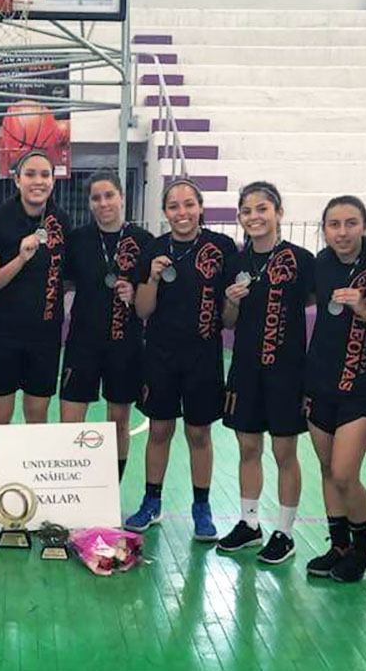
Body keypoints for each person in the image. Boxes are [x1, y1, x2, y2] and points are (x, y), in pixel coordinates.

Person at [124, 178, 238, 541]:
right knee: (159, 430)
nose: (182, 212)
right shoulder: (153, 250)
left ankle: (201, 508)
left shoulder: (221, 248)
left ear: (200, 207)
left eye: (189, 204)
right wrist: (153, 277)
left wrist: (234, 301)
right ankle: (151, 501)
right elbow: (143, 310)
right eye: (174, 206)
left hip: (204, 355)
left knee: (199, 433)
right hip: (159, 354)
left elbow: (230, 318)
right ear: (165, 212)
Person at [304, 195, 366, 583]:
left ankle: (365, 545)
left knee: (345, 472)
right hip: (320, 380)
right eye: (334, 224)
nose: (342, 232)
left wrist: (363, 309)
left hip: (364, 383)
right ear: (324, 228)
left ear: (364, 225)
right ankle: (339, 544)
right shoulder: (320, 265)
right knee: (327, 469)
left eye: (350, 223)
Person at [218, 182, 315, 564]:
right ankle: (249, 523)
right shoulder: (237, 263)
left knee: (284, 451)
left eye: (262, 209)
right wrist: (230, 300)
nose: (254, 217)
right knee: (248, 448)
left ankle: (285, 532)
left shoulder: (302, 260)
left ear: (278, 213)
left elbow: (309, 303)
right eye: (247, 211)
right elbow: (227, 321)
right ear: (240, 217)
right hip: (245, 368)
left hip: (288, 370)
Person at [59, 170, 152, 482]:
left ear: (121, 197)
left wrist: (136, 293)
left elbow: (152, 296)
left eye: (109, 195)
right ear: (89, 203)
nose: (103, 203)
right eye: (96, 198)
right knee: (70, 422)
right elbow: (65, 283)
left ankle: (111, 489)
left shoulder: (143, 241)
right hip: (82, 342)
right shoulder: (78, 240)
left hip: (124, 343)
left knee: (118, 422)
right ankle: (74, 489)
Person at [0, 150, 69, 424]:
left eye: (45, 175)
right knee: (0, 416)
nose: (38, 181)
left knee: (37, 416)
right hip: (1, 335)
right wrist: (20, 259)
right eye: (30, 174)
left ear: (53, 181)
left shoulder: (60, 220)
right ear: (17, 180)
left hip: (45, 335)